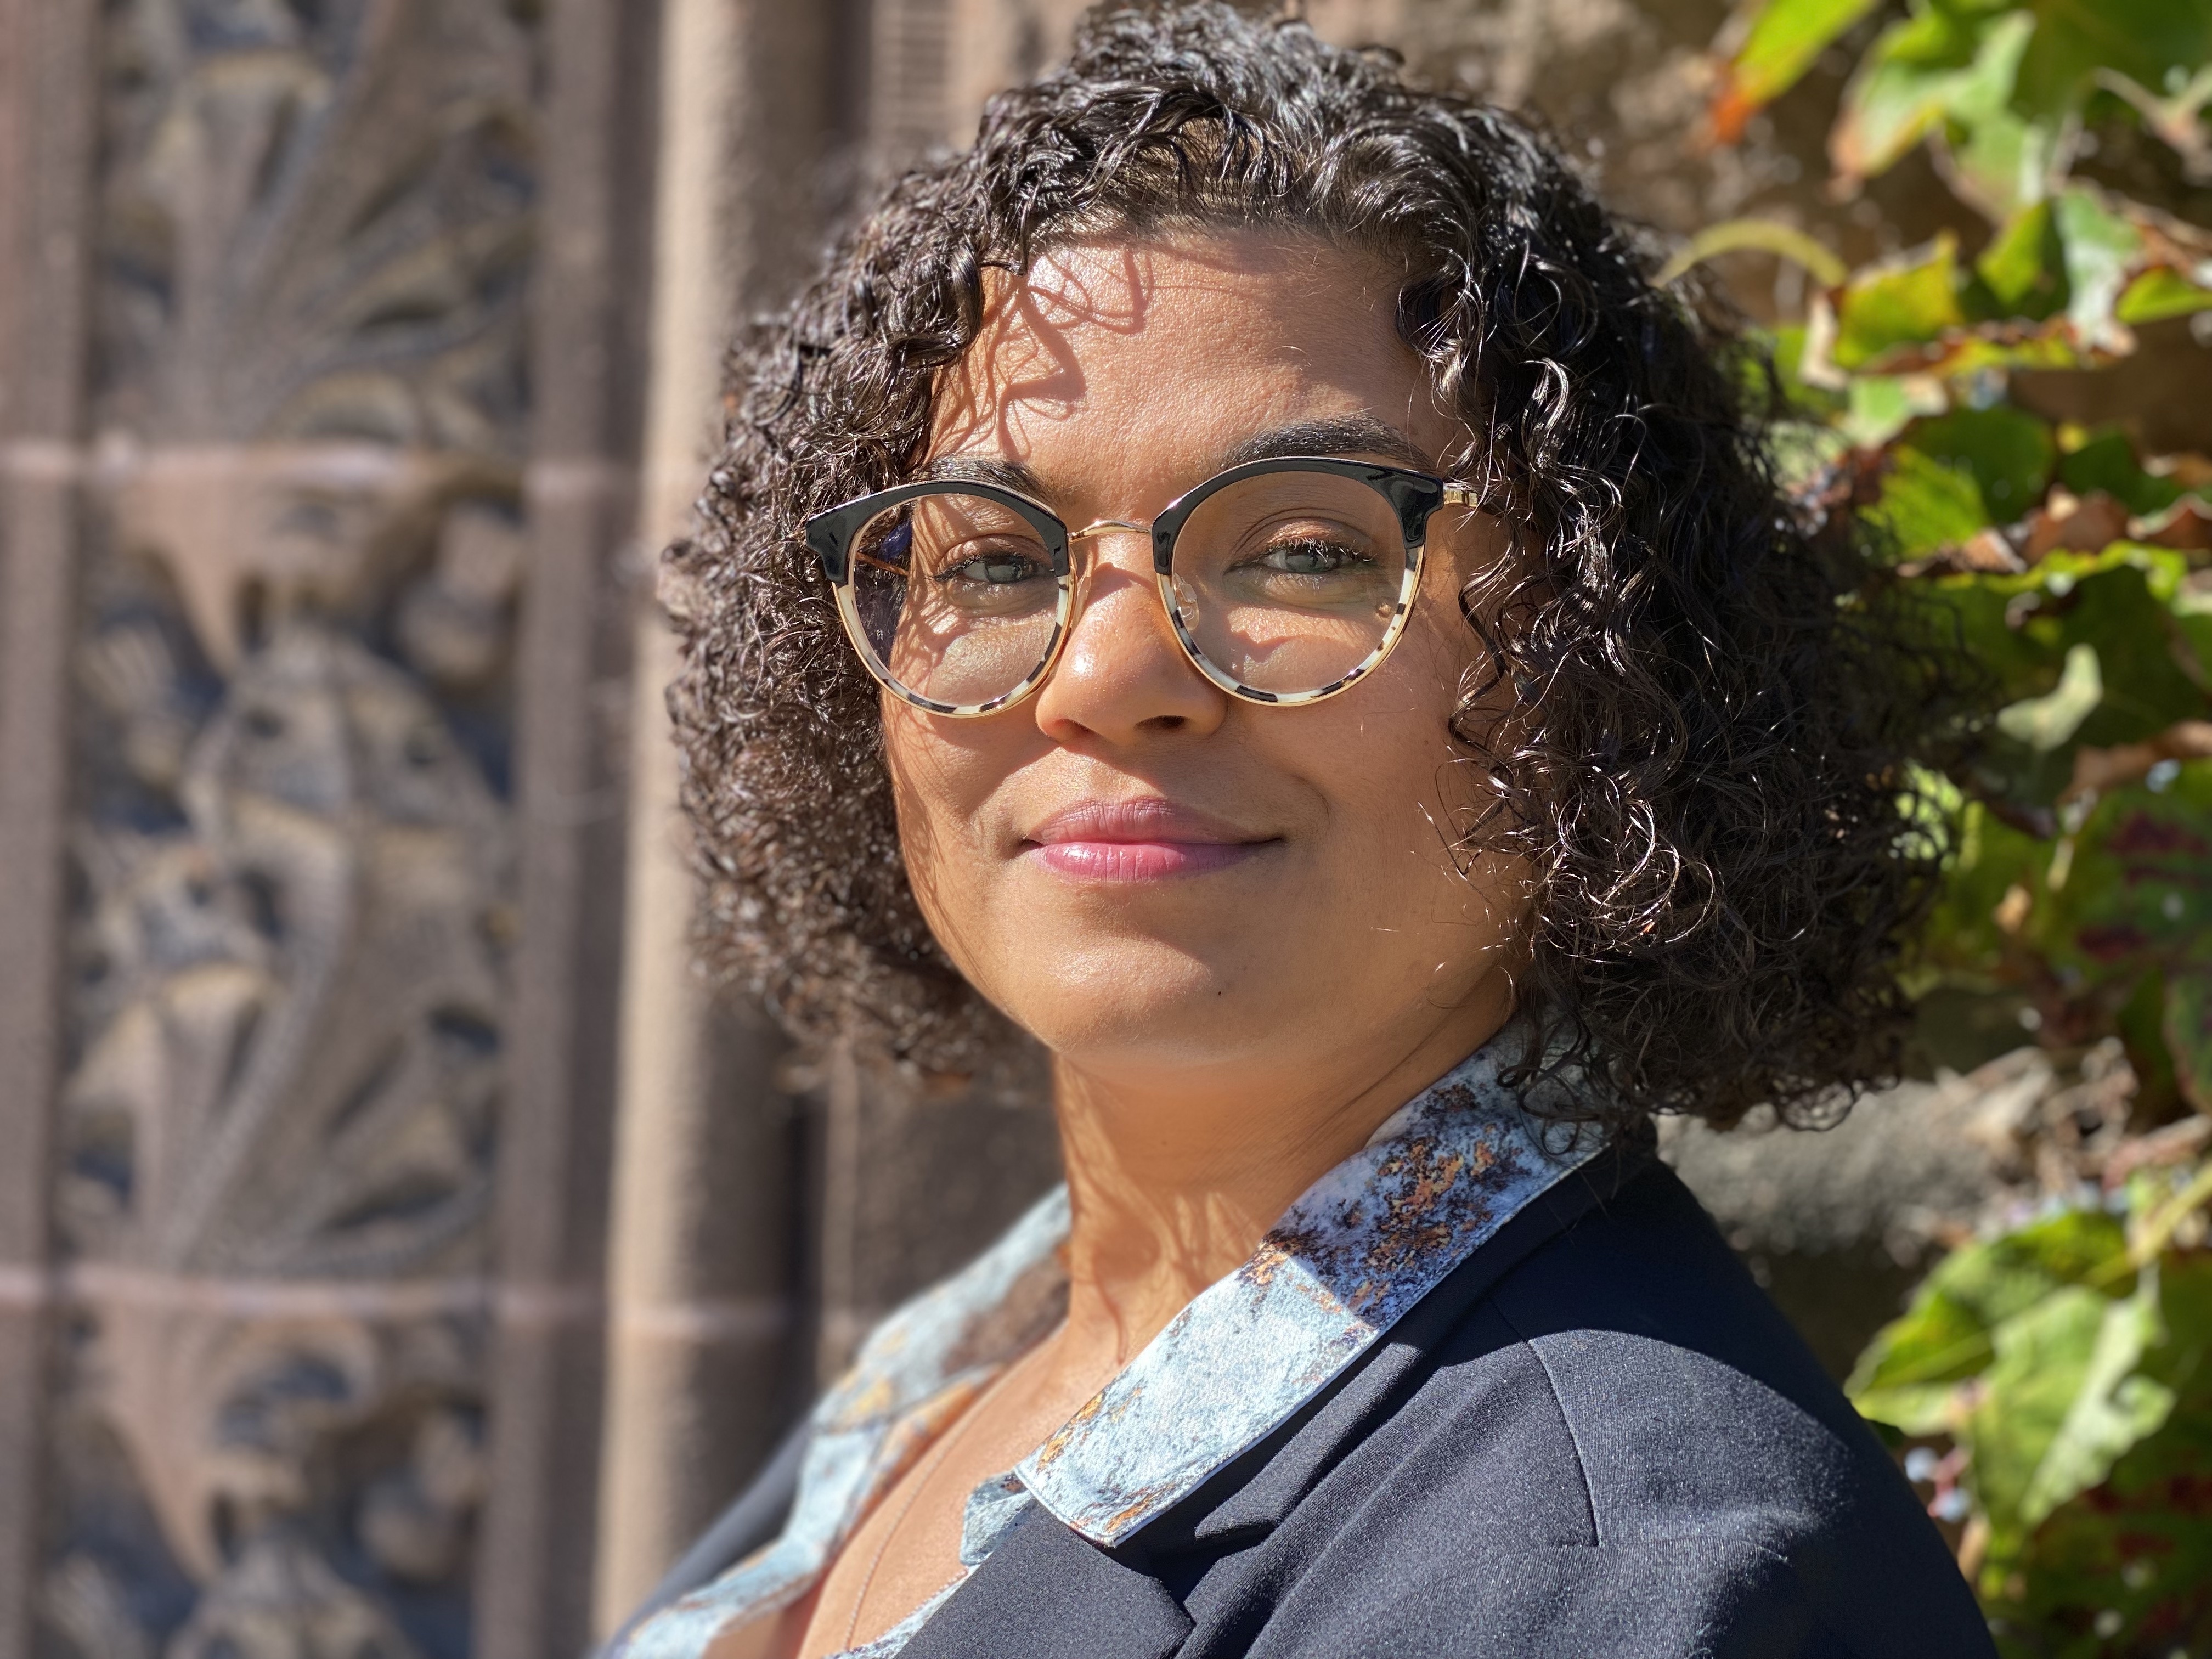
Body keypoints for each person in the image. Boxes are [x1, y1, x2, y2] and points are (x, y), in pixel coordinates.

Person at [612, 5, 1991, 1655]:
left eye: (1305, 552)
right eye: (987, 559)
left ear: (1601, 661)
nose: (1105, 678)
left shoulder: (1628, 1576)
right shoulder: (956, 1375)